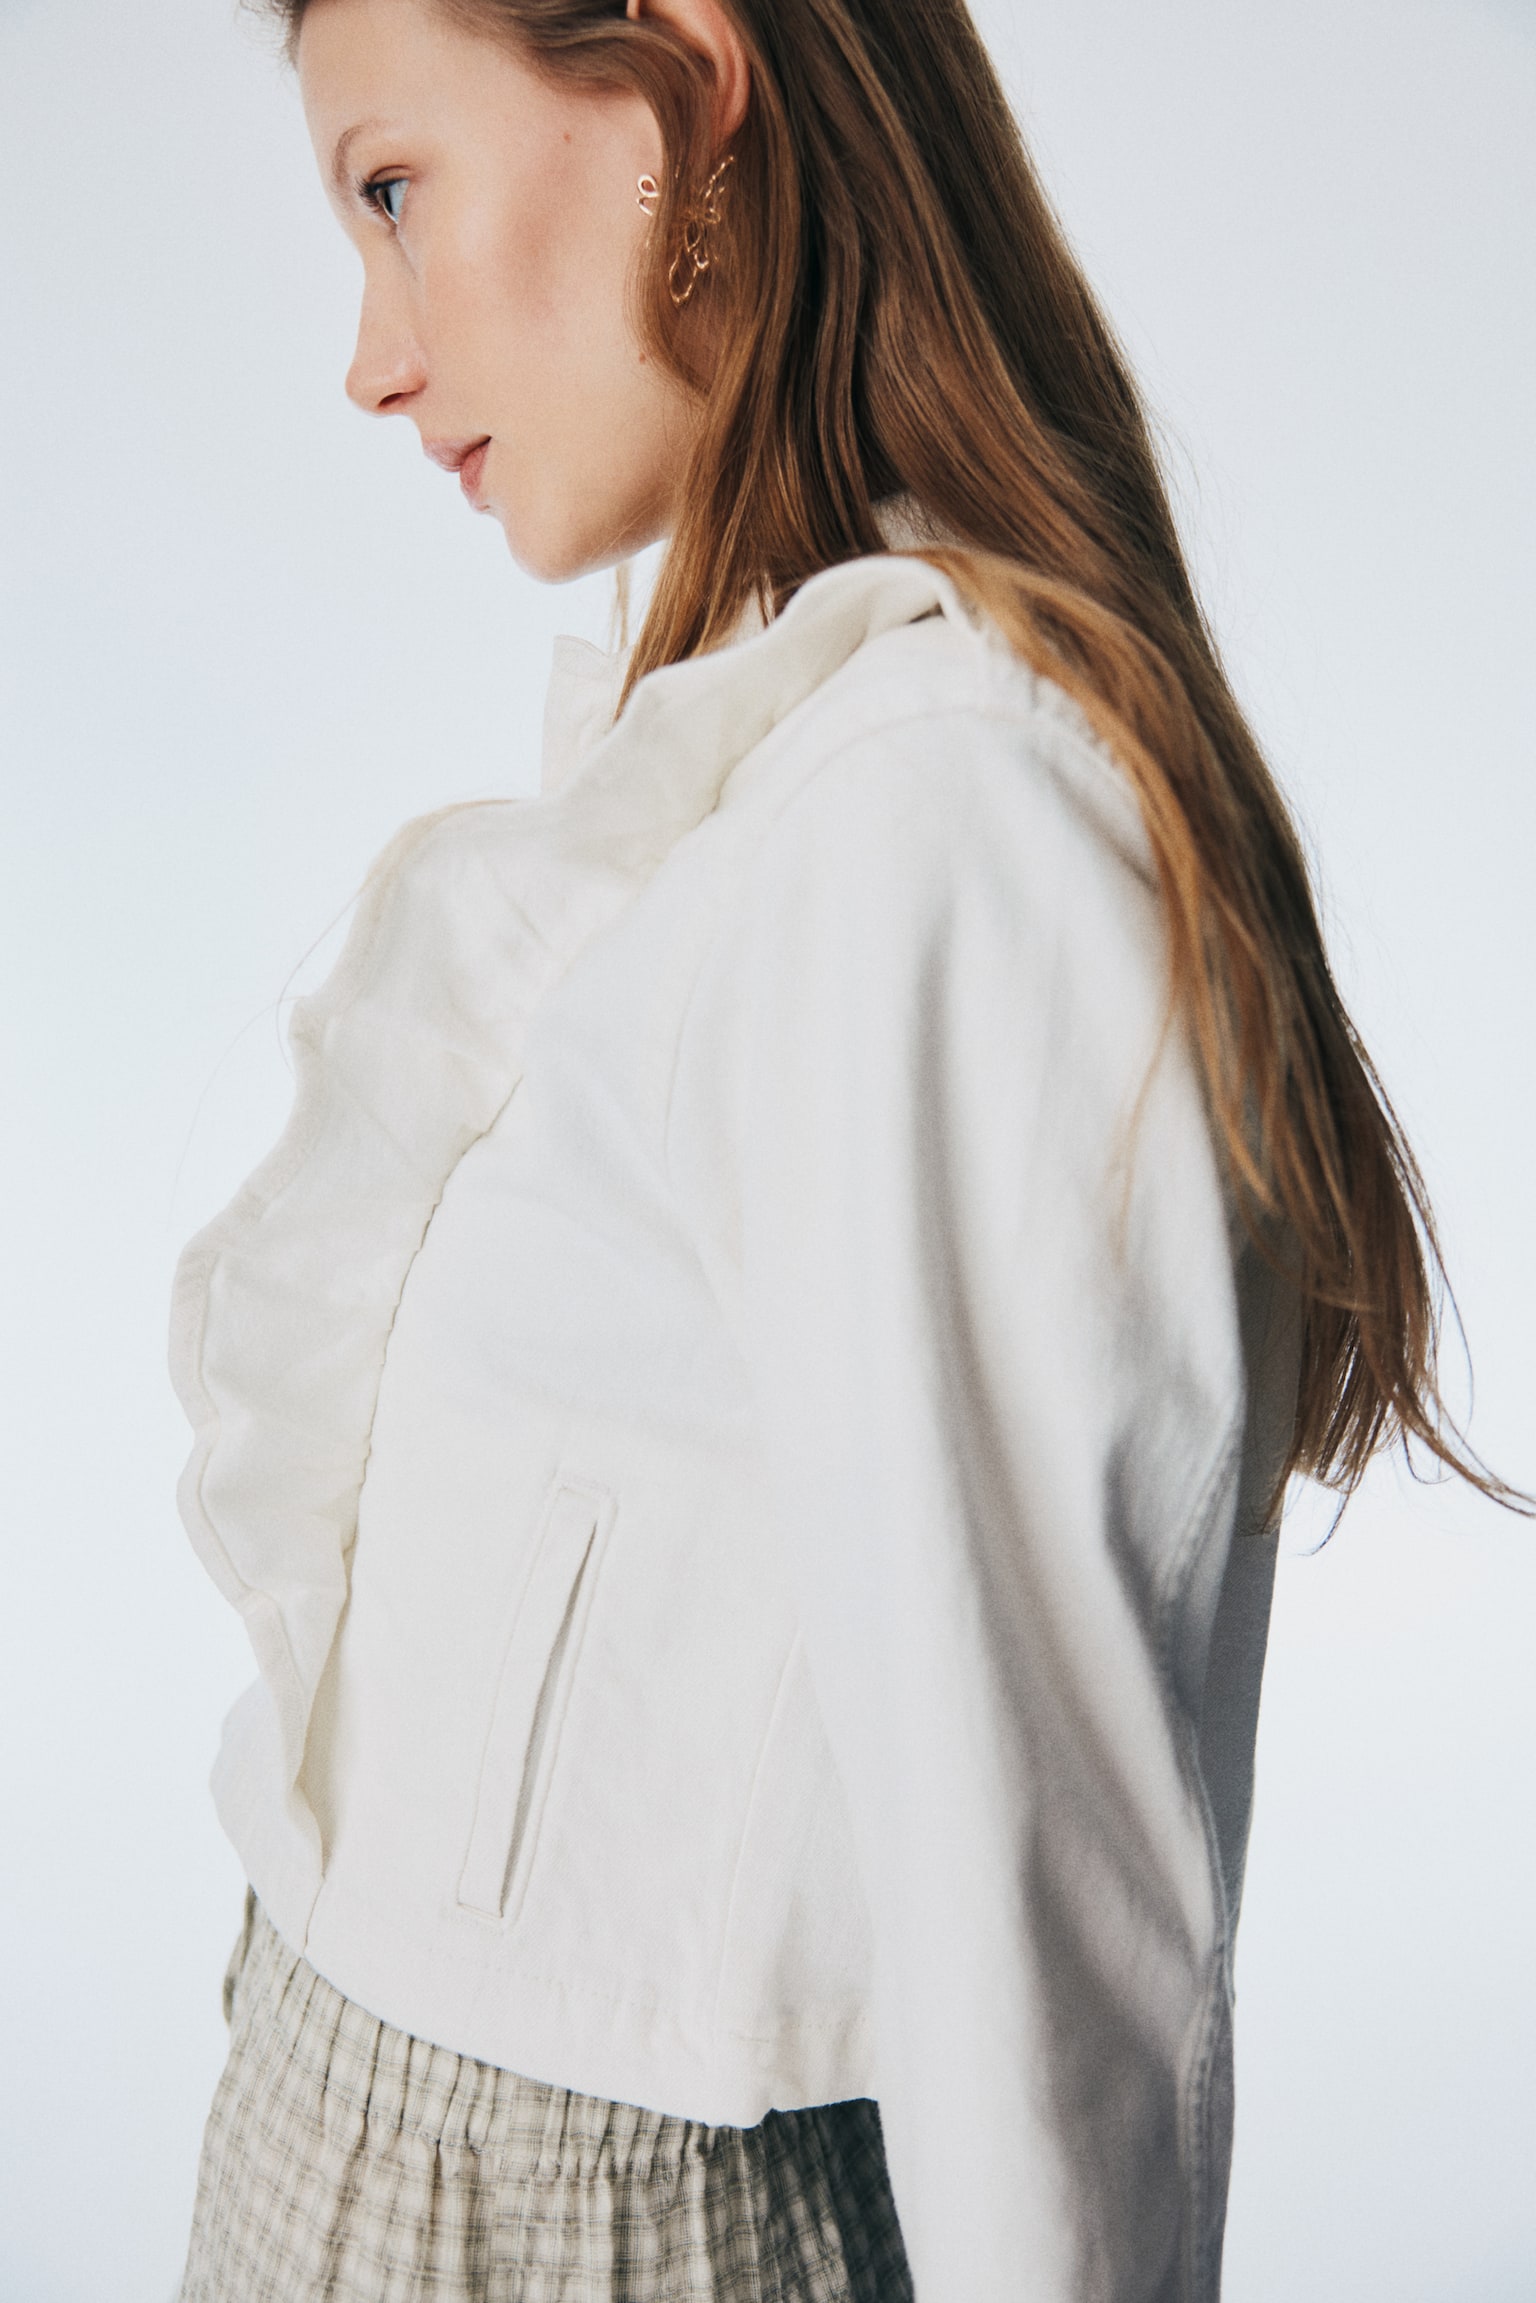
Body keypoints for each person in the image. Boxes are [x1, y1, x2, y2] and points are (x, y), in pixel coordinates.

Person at [170, 0, 1522, 2297]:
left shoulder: (936, 826)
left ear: (684, 84)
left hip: (575, 2236)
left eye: (394, 191)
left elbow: (1049, 1920)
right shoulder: (779, 750)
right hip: (381, 2156)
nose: (373, 361)